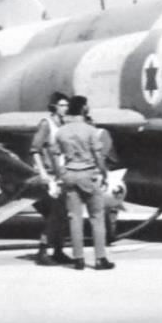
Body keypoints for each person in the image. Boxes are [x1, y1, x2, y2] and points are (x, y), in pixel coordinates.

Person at [53, 95, 115, 271]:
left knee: (75, 219)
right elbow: (98, 155)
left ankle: (78, 259)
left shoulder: (61, 131)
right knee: (97, 218)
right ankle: (100, 258)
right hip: (88, 174)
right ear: (83, 109)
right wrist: (104, 173)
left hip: (70, 175)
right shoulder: (90, 131)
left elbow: (55, 155)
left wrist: (61, 174)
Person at [30, 92, 72, 266]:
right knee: (55, 215)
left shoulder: (64, 125)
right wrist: (43, 173)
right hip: (50, 176)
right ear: (54, 106)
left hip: (62, 174)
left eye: (67, 105)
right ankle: (43, 250)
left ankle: (58, 250)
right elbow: (35, 149)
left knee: (63, 215)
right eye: (62, 105)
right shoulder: (46, 125)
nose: (66, 108)